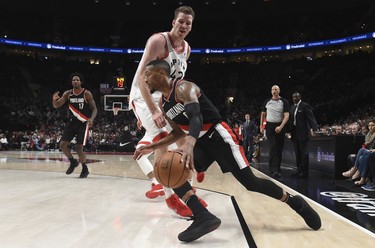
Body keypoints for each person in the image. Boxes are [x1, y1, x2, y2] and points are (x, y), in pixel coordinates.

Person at [133, 60, 321, 242]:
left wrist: (189, 144)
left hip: (219, 136)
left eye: (148, 75)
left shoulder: (184, 87)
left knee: (251, 182)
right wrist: (152, 147)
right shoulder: (163, 104)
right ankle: (203, 216)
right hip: (201, 142)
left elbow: (196, 118)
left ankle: (295, 202)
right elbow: (176, 132)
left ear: (161, 73)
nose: (146, 80)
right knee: (173, 172)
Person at [128, 6, 204, 217]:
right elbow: (142, 80)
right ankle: (171, 198)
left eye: (188, 23)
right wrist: (152, 111)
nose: (184, 26)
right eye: (181, 21)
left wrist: (167, 106)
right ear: (173, 22)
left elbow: (173, 83)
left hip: (163, 98)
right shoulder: (158, 42)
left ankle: (189, 193)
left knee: (183, 142)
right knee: (162, 139)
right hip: (142, 95)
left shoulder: (187, 49)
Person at [52, 72, 97, 178]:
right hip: (73, 122)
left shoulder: (86, 93)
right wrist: (54, 99)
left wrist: (92, 119)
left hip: (84, 123)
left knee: (79, 148)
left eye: (77, 79)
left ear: (81, 82)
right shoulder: (68, 94)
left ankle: (84, 169)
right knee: (62, 145)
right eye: (73, 80)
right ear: (71, 82)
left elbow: (94, 109)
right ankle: (72, 162)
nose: (75, 81)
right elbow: (57, 105)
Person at [260, 85, 290, 179]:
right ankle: (273, 170)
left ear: (279, 91)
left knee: (279, 148)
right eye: (272, 89)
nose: (274, 91)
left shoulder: (284, 101)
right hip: (269, 126)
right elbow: (263, 114)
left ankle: (278, 169)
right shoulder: (267, 101)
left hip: (280, 126)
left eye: (276, 89)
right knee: (273, 146)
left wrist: (281, 127)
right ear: (271, 91)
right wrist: (261, 126)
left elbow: (287, 115)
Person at [289, 92, 318, 178]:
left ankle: (304, 173)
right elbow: (291, 120)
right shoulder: (292, 107)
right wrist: (288, 131)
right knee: (297, 153)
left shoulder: (305, 105)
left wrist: (314, 128)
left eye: (297, 97)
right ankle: (299, 171)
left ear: (300, 97)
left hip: (304, 133)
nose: (295, 98)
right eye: (293, 97)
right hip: (295, 133)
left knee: (304, 154)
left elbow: (311, 117)